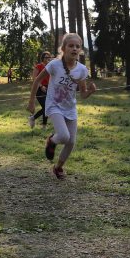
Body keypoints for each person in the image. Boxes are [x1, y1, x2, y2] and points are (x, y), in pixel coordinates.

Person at [26, 33, 96, 179]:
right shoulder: (54, 65)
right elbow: (37, 80)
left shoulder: (82, 70)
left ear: (80, 50)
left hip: (70, 107)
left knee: (71, 142)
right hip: (54, 105)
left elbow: (82, 94)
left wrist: (90, 91)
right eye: (71, 46)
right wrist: (31, 101)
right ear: (63, 48)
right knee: (64, 136)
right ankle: (51, 141)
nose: (75, 49)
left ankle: (58, 168)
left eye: (78, 46)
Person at [28, 51, 53, 129]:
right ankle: (33, 118)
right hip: (39, 88)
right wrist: (41, 86)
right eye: (46, 57)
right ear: (42, 58)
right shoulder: (38, 66)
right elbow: (34, 78)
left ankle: (44, 126)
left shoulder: (51, 67)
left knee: (48, 107)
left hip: (48, 88)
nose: (48, 59)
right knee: (46, 107)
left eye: (49, 57)